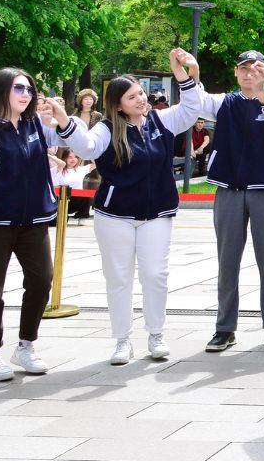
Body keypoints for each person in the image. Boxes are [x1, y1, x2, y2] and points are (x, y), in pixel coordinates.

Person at [54, 49, 204, 364]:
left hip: (157, 213)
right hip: (115, 215)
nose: (140, 99)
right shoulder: (107, 128)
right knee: (119, 277)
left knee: (155, 274)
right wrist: (64, 121)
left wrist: (183, 73)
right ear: (118, 104)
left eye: (141, 93)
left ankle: (156, 334)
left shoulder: (161, 120)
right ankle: (122, 340)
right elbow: (86, 148)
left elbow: (191, 108)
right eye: (132, 96)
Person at [199, 51, 264, 355]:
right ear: (236, 72)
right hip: (229, 188)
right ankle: (224, 328)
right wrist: (189, 73)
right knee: (227, 262)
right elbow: (196, 100)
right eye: (244, 69)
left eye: (256, 69)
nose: (249, 74)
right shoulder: (224, 102)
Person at [0, 68, 63, 383]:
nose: (25, 94)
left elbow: (71, 137)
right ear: (1, 91)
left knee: (41, 280)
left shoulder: (34, 123)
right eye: (18, 88)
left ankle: (26, 344)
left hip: (35, 219)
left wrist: (59, 119)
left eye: (28, 89)